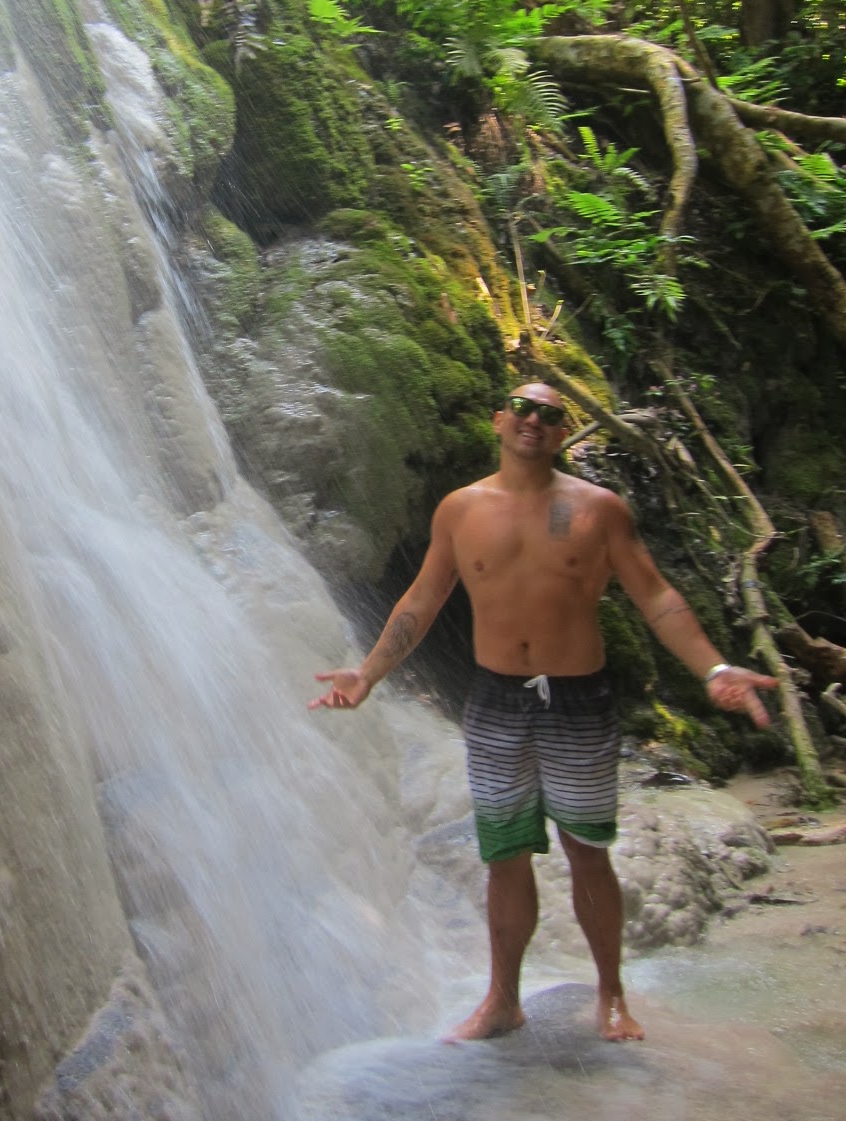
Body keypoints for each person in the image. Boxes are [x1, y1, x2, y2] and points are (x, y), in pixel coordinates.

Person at [309, 381, 776, 1044]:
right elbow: (422, 599)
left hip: (576, 701)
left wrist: (715, 669)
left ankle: (611, 995)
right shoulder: (460, 509)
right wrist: (368, 673)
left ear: (562, 433)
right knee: (505, 856)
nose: (534, 420)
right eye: (523, 408)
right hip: (497, 699)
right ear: (499, 420)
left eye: (550, 414)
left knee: (586, 850)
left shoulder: (599, 510)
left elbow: (657, 598)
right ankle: (503, 1000)